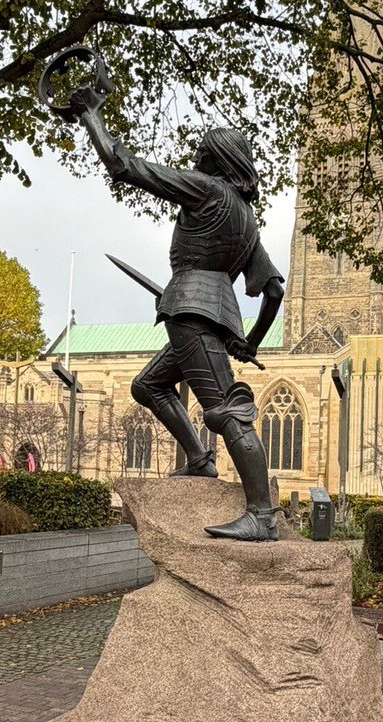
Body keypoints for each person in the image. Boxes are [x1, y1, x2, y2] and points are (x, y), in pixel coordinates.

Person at [69, 87, 285, 541]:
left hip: (191, 312)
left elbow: (123, 165)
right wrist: (250, 341)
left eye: (202, 150)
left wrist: (91, 114)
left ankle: (262, 515)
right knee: (147, 385)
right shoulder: (247, 220)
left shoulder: (206, 190)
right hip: (211, 314)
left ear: (218, 158)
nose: (196, 156)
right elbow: (273, 291)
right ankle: (200, 460)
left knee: (226, 410)